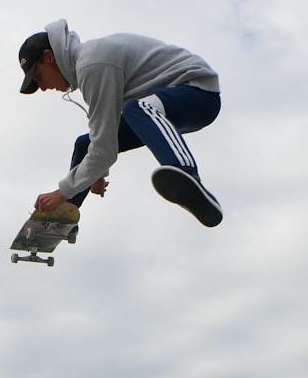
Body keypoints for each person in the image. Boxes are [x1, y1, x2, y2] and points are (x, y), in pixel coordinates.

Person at [19, 19, 223, 227]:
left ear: (49, 57)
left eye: (39, 77)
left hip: (198, 93)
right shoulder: (89, 65)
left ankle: (187, 175)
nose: (42, 88)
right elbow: (103, 134)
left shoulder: (92, 64)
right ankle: (59, 220)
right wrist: (95, 173)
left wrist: (62, 191)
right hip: (164, 105)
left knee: (138, 109)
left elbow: (104, 150)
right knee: (85, 145)